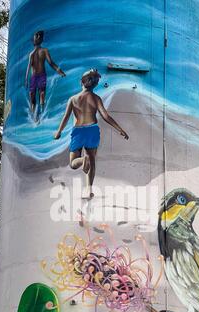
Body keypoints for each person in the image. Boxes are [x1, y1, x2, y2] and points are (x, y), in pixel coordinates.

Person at [54, 69, 129, 198]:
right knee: (92, 161)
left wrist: (59, 132)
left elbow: (66, 117)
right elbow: (105, 116)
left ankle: (83, 160)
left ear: (81, 83)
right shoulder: (96, 98)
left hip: (78, 131)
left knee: (72, 164)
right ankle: (89, 189)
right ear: (95, 84)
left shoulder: (73, 99)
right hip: (92, 130)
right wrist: (119, 129)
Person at [25, 30, 66, 120]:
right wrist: (26, 79)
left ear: (40, 39)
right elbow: (28, 67)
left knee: (42, 94)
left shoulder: (44, 50)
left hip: (41, 75)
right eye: (35, 37)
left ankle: (42, 114)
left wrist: (60, 71)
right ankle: (34, 117)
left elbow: (51, 63)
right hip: (33, 77)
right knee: (32, 95)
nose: (36, 39)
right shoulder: (31, 54)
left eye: (38, 37)